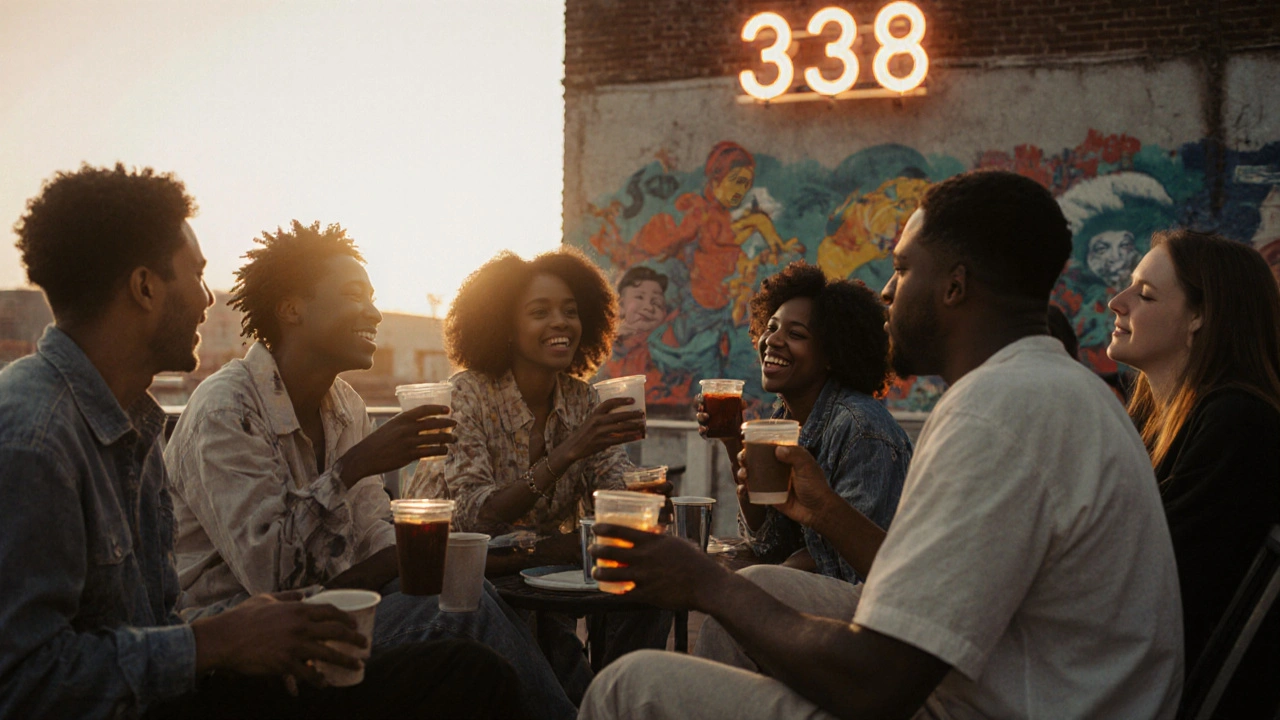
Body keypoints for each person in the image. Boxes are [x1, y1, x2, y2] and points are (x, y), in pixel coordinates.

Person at [581, 169, 1183, 719]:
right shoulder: (1053, 388)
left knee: (628, 685)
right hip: (1012, 679)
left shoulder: (995, 412)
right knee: (762, 586)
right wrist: (816, 511)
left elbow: (877, 685)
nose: (887, 293)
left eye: (901, 267)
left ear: (954, 286)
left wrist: (706, 584)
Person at [0, 164, 519, 718]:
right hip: (193, 684)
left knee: (468, 668)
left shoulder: (134, 426)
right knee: (464, 648)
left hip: (212, 674)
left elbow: (154, 623)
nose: (208, 300)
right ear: (145, 287)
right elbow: (22, 684)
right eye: (196, 276)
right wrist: (221, 642)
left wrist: (491, 550)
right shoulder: (35, 439)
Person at [164, 221, 575, 719]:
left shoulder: (344, 407)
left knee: (476, 597)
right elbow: (271, 579)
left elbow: (374, 540)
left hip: (341, 610)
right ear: (292, 308)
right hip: (241, 646)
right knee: (456, 614)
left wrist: (441, 554)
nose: (375, 312)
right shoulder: (226, 410)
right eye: (354, 294)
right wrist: (357, 467)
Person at [403, 247, 669, 699]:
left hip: (542, 585)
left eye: (570, 310)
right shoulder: (467, 394)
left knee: (653, 583)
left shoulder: (583, 399)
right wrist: (568, 452)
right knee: (551, 687)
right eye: (539, 312)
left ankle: (620, 694)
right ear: (506, 325)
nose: (561, 322)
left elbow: (614, 503)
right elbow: (474, 517)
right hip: (463, 589)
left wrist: (644, 496)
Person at [1107, 228, 1280, 717]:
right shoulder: (1154, 415)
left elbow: (1156, 578)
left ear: (1202, 316)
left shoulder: (1238, 420)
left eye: (1144, 294)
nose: (1117, 303)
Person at [700, 261, 910, 583]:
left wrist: (771, 576)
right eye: (771, 327)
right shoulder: (784, 419)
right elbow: (768, 545)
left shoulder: (862, 429)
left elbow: (863, 564)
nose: (773, 340)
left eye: (795, 334)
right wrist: (733, 443)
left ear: (831, 355)